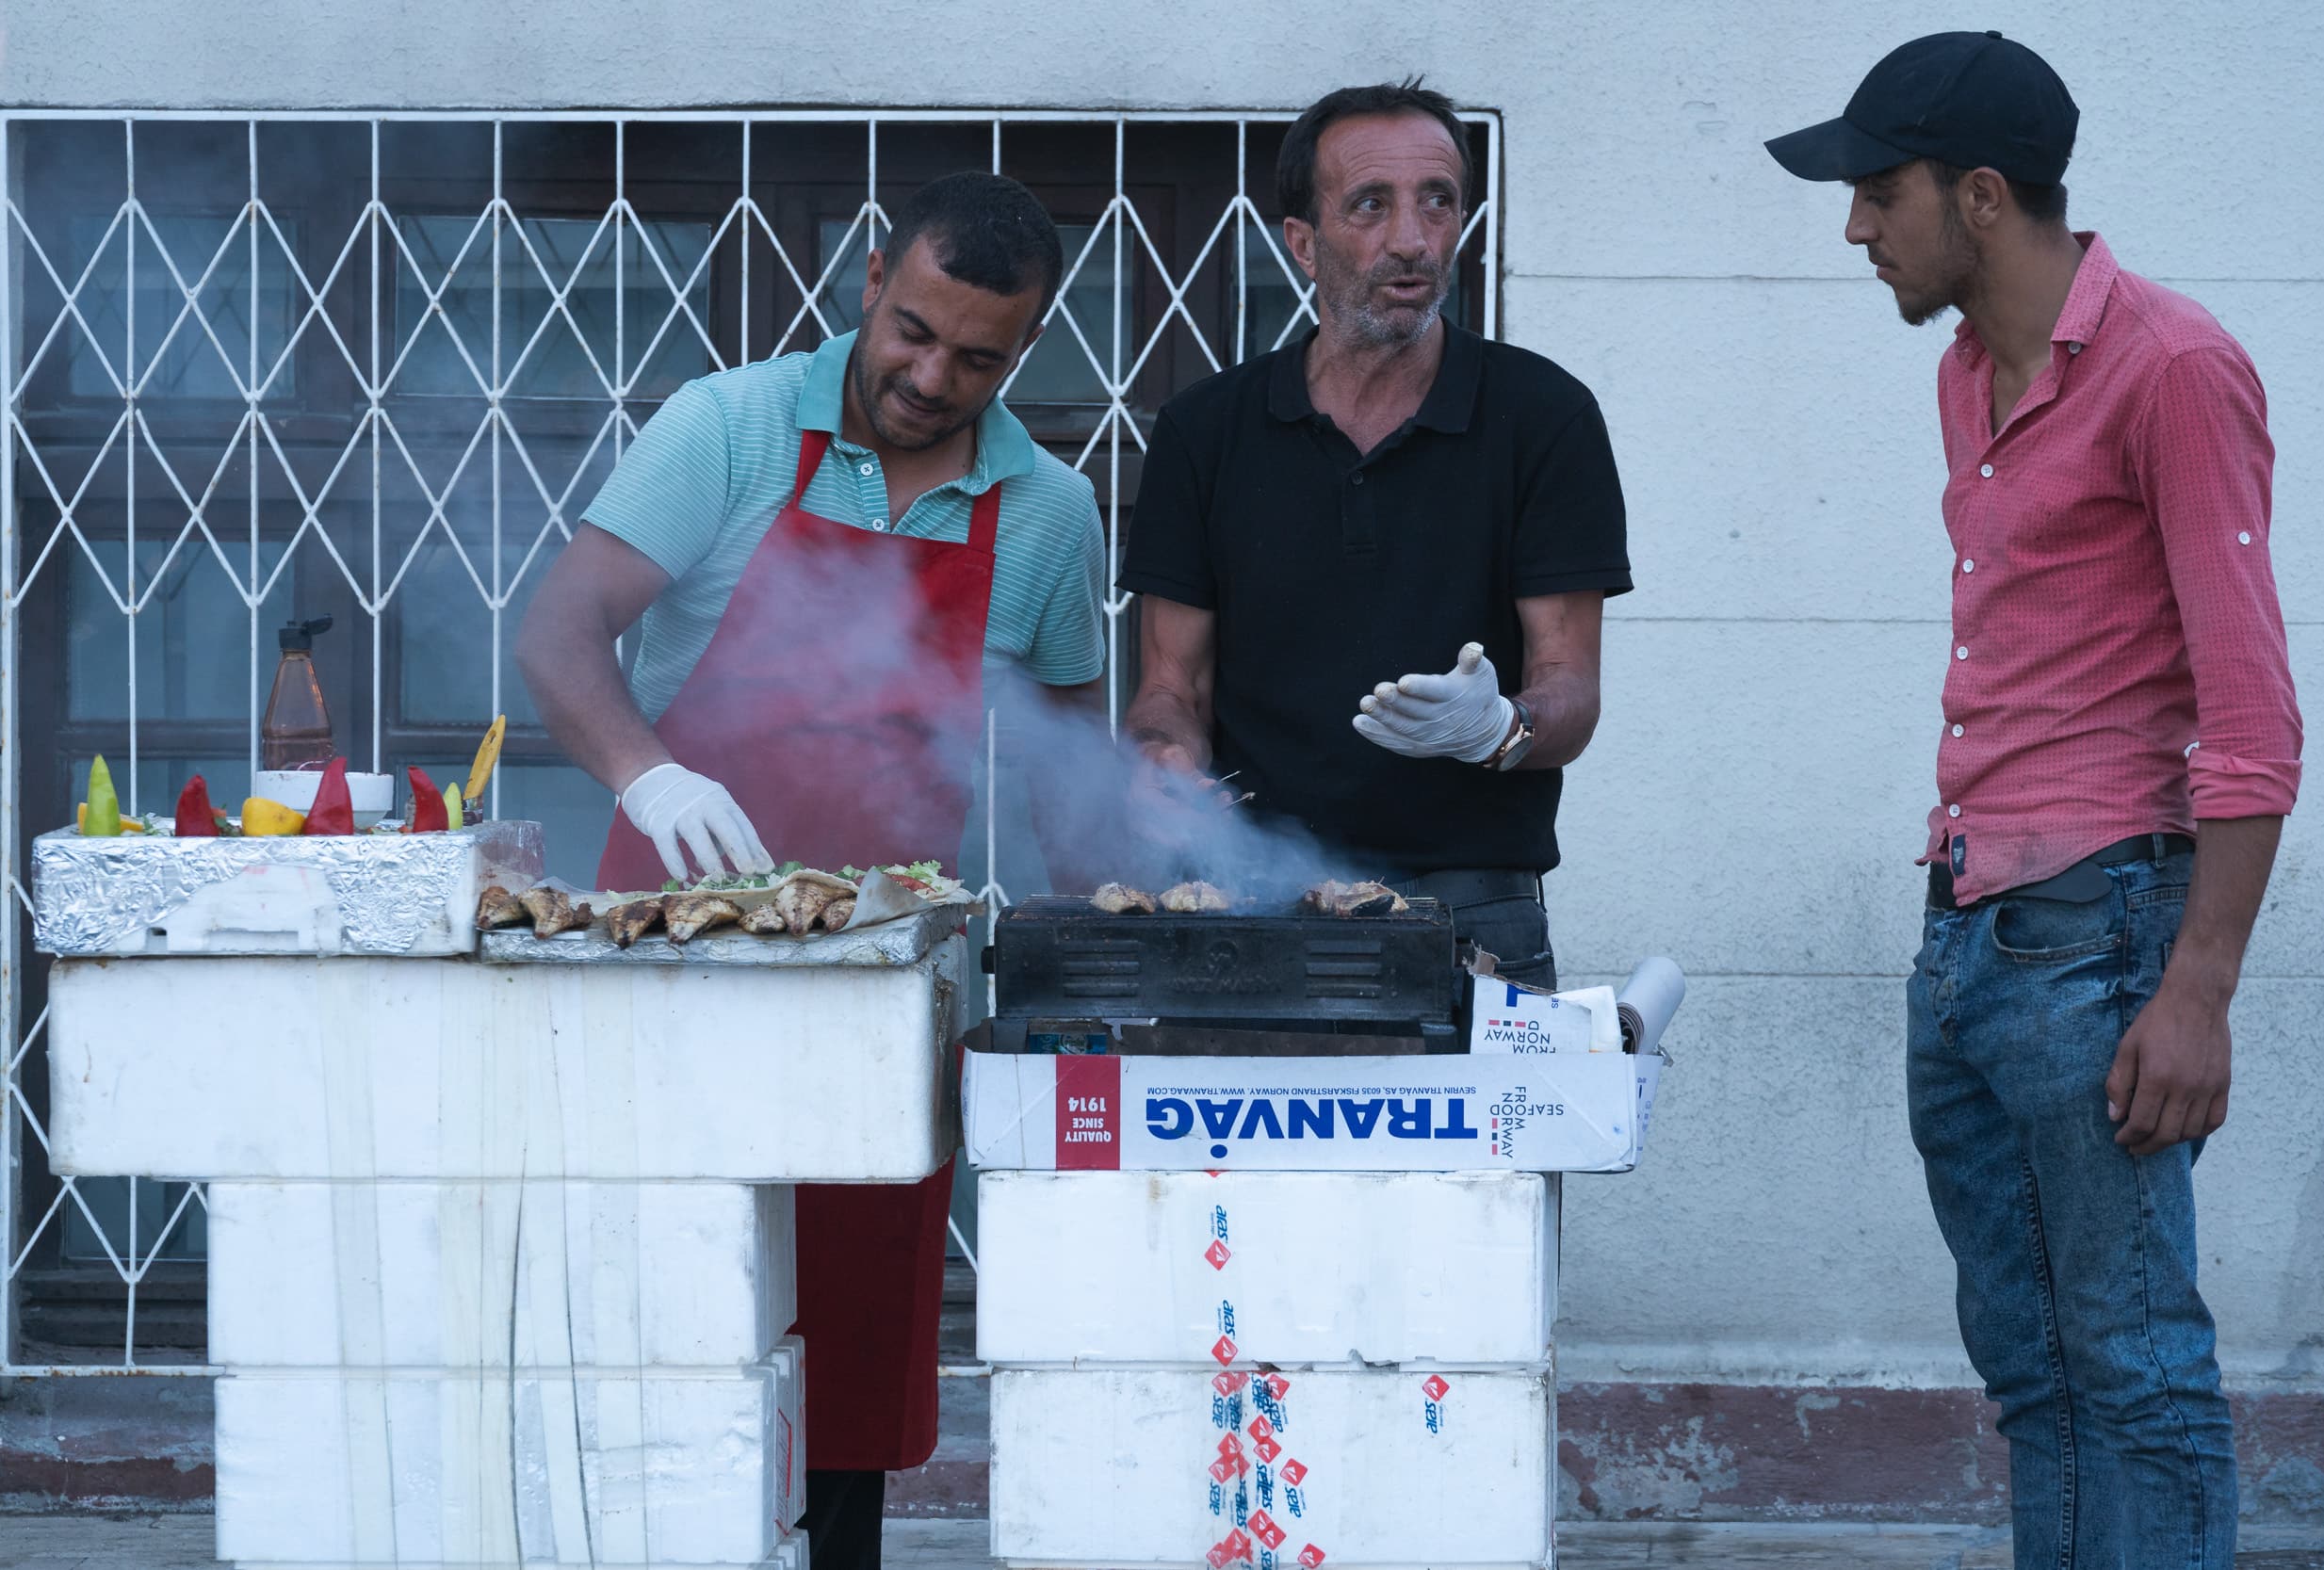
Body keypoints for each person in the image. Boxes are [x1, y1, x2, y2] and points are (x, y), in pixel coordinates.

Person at [517, 170, 1106, 1570]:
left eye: (979, 356)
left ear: (1026, 351)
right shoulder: (724, 428)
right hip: (673, 945)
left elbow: (1070, 761)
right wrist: (647, 772)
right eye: (913, 328)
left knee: (843, 1324)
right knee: (650, 1290)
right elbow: (557, 634)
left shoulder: (1048, 513)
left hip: (876, 982)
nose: (929, 373)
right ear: (870, 279)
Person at [1767, 32, 2301, 1568]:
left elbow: (2255, 710)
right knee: (2041, 1377)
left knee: (2134, 1371)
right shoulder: (1967, 375)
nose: (1858, 227)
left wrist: (2198, 988)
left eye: (1880, 192)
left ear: (1981, 196)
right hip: (1973, 934)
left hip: (2103, 938)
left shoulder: (2173, 370)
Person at [1120, 80, 1631, 985]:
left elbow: (1571, 688)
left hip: (1472, 908)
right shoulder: (1206, 429)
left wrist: (1500, 728)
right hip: (1248, 896)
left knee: (1477, 1137)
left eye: (1438, 201)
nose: (1412, 238)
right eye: (1370, 205)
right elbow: (1171, 684)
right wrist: (1162, 762)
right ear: (1303, 245)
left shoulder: (1543, 414)